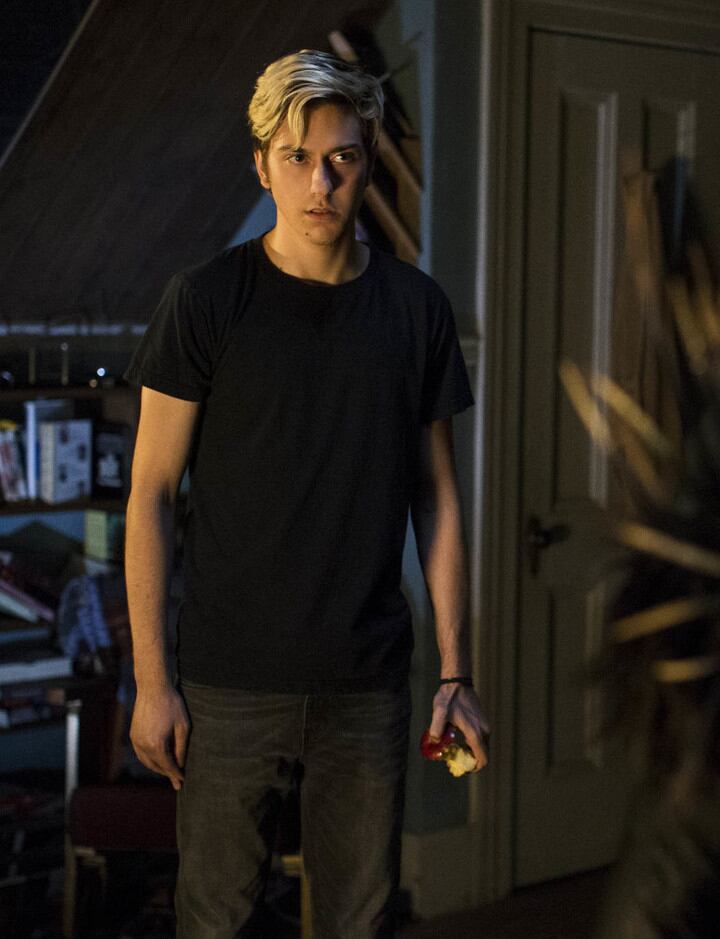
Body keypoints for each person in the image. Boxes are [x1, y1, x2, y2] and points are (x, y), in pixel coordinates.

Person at [123, 49, 489, 936]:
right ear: (262, 166)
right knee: (213, 921)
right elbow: (150, 495)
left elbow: (438, 498)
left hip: (366, 682)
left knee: (359, 921)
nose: (320, 182)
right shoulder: (205, 300)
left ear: (366, 161)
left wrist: (455, 672)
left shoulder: (416, 310)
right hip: (227, 682)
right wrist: (152, 681)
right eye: (297, 157)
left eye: (342, 158)